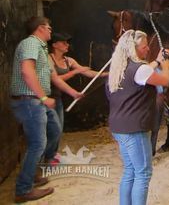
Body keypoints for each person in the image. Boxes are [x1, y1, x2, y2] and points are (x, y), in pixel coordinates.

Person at [10, 16, 83, 203]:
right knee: (38, 143)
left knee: (55, 130)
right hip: (30, 101)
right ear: (40, 28)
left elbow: (54, 78)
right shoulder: (30, 44)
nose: (51, 30)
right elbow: (27, 72)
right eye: (49, 27)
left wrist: (73, 92)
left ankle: (32, 172)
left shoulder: (41, 49)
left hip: (38, 101)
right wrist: (43, 97)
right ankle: (23, 189)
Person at [107, 30, 169, 205]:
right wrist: (165, 65)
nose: (146, 50)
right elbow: (165, 80)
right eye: (144, 47)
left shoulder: (119, 69)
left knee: (130, 171)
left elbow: (143, 72)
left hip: (119, 126)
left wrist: (157, 60)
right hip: (134, 128)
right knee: (143, 173)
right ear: (133, 48)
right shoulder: (140, 69)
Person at [48, 32, 108, 162]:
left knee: (58, 128)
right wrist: (75, 72)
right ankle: (47, 156)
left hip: (57, 98)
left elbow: (88, 72)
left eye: (67, 42)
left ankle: (52, 155)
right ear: (54, 45)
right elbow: (55, 79)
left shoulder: (69, 60)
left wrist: (104, 74)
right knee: (53, 130)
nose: (67, 45)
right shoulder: (48, 59)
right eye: (63, 42)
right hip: (46, 97)